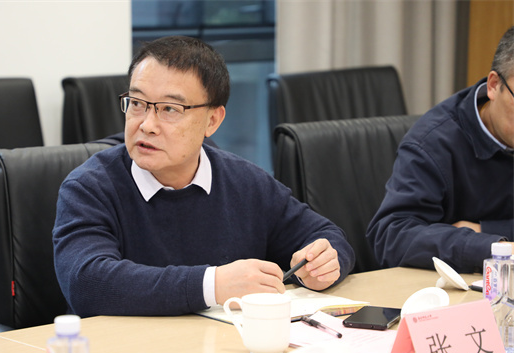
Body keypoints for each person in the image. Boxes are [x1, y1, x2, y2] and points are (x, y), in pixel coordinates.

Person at [53, 36, 355, 317]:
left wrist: (324, 263)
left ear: (212, 120)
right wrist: (213, 285)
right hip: (124, 351)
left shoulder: (246, 182)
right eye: (137, 104)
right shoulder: (89, 187)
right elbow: (86, 283)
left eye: (169, 109)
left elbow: (326, 236)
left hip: (222, 347)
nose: (146, 125)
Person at [367, 26, 514, 273]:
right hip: (444, 291)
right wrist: (490, 247)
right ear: (493, 85)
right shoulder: (432, 143)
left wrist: (489, 230)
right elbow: (392, 236)